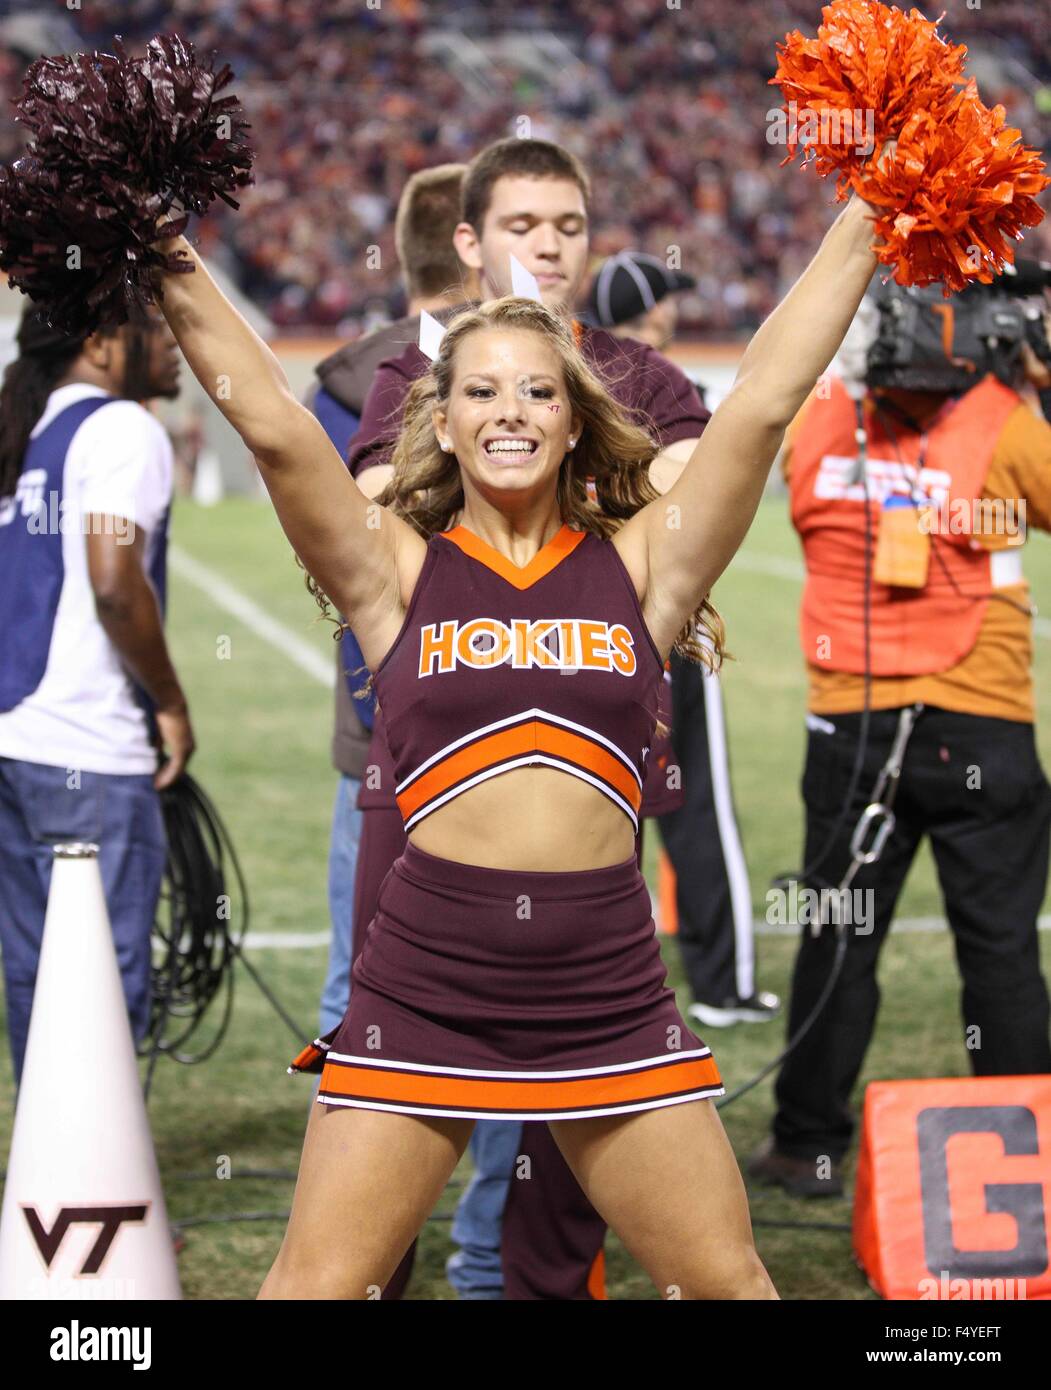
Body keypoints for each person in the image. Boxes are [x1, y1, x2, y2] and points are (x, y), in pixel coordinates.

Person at [148, 125, 890, 1295]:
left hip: (605, 984)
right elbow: (278, 428)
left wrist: (872, 210)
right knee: (313, 1285)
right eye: (481, 391)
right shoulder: (394, 569)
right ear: (438, 420)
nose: (509, 411)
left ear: (572, 418)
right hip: (426, 982)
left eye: (538, 392)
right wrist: (166, 253)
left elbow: (759, 403)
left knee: (733, 1284)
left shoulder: (647, 564)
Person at [337, 139, 709, 1299]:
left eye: (568, 223)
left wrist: (552, 465)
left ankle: (521, 1281)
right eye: (523, 223)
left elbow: (698, 498)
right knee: (384, 1055)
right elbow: (359, 513)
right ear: (468, 238)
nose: (547, 244)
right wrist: (549, 464)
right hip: (420, 771)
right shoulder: (409, 374)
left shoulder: (641, 376)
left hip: (586, 769)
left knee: (569, 1110)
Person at [750, 312, 1051, 1199]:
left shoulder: (822, 410)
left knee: (836, 937)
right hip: (981, 718)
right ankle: (1023, 1160)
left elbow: (797, 496)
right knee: (998, 951)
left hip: (851, 723)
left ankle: (806, 1143)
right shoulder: (1005, 419)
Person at [585, 247, 781, 1029]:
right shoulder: (671, 391)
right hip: (669, 623)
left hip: (584, 623)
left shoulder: (571, 384)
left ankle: (602, 979)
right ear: (656, 310)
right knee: (699, 802)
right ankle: (721, 982)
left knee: (599, 804)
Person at [0, 305, 192, 1083]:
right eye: (160, 328)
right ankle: (100, 1190)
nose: (177, 345)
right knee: (103, 981)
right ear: (102, 341)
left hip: (15, 738)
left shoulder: (28, 426)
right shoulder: (123, 428)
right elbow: (116, 585)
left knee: (32, 971)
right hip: (87, 746)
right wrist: (171, 703)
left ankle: (49, 1175)